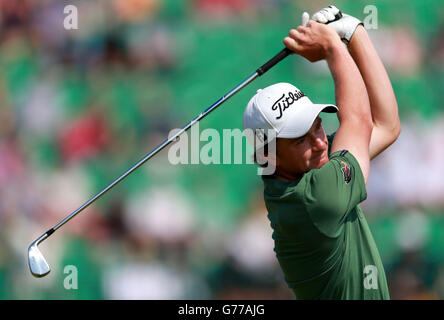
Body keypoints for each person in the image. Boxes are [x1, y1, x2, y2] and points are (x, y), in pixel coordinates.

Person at [242, 5, 400, 299]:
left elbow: (386, 125)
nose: (319, 142)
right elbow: (360, 121)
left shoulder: (305, 171)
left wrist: (353, 34)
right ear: (268, 155)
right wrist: (334, 46)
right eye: (300, 139)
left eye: (316, 126)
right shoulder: (314, 199)